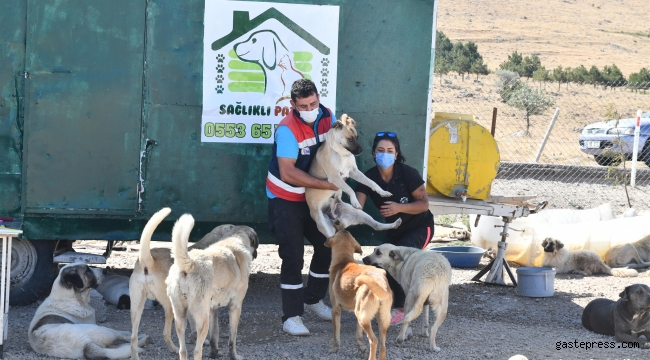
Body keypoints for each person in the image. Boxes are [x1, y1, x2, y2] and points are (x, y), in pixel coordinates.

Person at [266, 79, 339, 336]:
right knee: (293, 255)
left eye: (313, 103)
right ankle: (292, 317)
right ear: (293, 104)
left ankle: (313, 299)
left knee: (328, 245)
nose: (310, 109)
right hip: (286, 198)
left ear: (319, 98)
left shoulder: (328, 116)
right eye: (304, 105)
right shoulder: (287, 129)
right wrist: (324, 183)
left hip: (315, 197)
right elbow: (287, 172)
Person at [354, 131, 435, 325]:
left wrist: (399, 207)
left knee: (398, 259)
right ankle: (381, 304)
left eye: (390, 150)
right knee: (378, 263)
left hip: (419, 226)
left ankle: (401, 309)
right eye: (380, 150)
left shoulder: (407, 173)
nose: (385, 154)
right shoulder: (368, 177)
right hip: (393, 230)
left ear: (396, 154)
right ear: (373, 153)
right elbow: (357, 207)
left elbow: (424, 204)